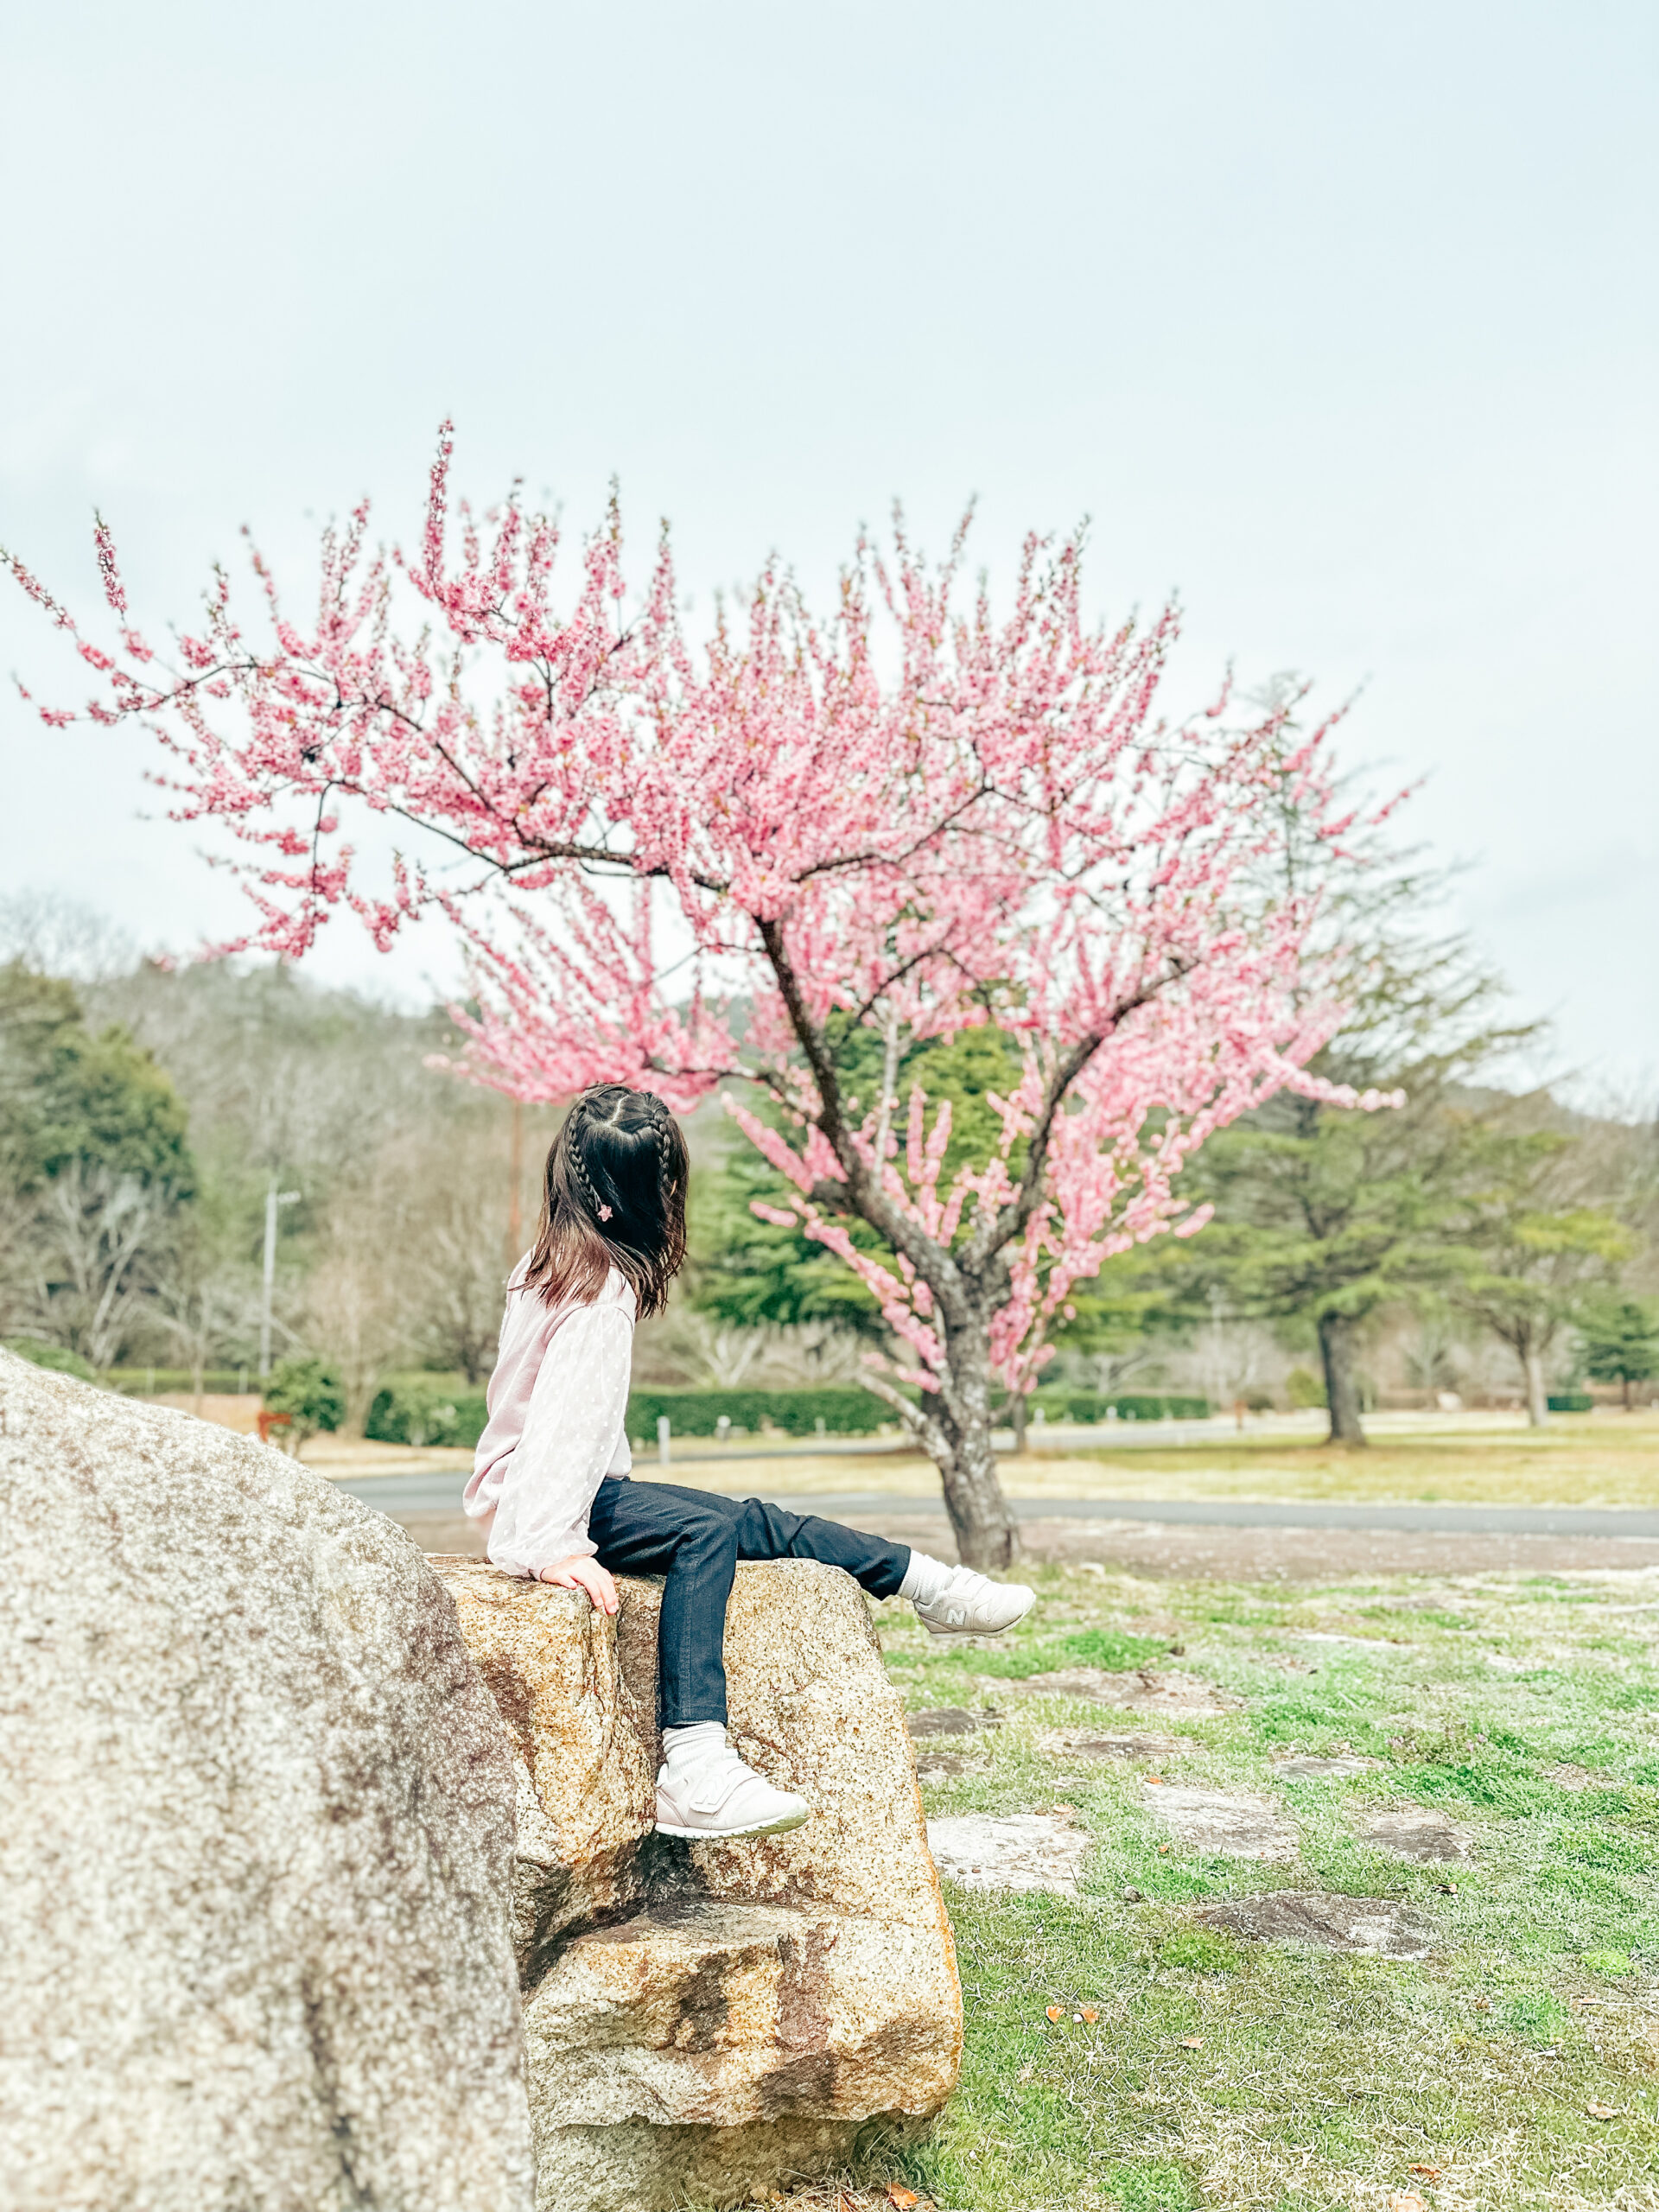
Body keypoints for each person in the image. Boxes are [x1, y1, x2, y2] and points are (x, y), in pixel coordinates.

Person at [465, 1083, 1036, 1840]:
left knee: (746, 1520)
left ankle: (928, 1585)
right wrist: (549, 1547)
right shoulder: (599, 1289)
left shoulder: (550, 1261)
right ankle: (694, 1765)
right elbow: (563, 1429)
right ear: (644, 1195)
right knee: (708, 1533)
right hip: (548, 1493)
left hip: (554, 1485)